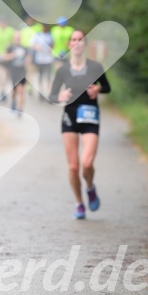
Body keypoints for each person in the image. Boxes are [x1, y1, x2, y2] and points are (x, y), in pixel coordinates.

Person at [49, 30, 111, 219]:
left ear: (84, 44)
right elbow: (51, 95)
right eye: (73, 40)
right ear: (69, 45)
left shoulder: (95, 67)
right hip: (69, 117)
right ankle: (79, 203)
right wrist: (59, 96)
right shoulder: (63, 70)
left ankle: (90, 187)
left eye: (80, 39)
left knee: (87, 162)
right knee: (74, 167)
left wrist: (98, 89)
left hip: (90, 117)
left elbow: (107, 87)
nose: (77, 42)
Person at [1, 32, 27, 117]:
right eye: (16, 38)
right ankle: (13, 101)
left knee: (21, 90)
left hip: (22, 71)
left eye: (19, 38)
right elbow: (4, 56)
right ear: (13, 38)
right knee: (14, 90)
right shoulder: (10, 48)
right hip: (13, 70)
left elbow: (28, 58)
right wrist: (13, 55)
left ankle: (20, 109)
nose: (17, 39)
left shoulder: (24, 48)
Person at [30, 23, 55, 99]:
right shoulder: (38, 35)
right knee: (40, 76)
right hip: (39, 59)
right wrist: (37, 47)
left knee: (48, 76)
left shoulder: (50, 35)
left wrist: (50, 49)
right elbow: (32, 44)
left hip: (48, 59)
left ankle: (48, 93)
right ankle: (41, 91)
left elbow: (53, 44)